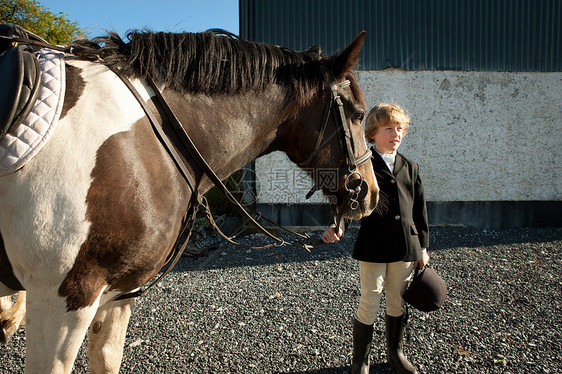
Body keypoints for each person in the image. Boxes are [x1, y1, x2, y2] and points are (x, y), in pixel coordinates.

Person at [322, 103, 430, 374]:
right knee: (370, 298)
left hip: (406, 246)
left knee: (398, 300)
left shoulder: (411, 168)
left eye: (399, 128)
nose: (396, 133)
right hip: (373, 245)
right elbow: (351, 203)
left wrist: (423, 248)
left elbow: (420, 211)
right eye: (388, 129)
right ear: (371, 134)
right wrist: (338, 227)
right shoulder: (363, 166)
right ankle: (361, 361)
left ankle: (396, 353)